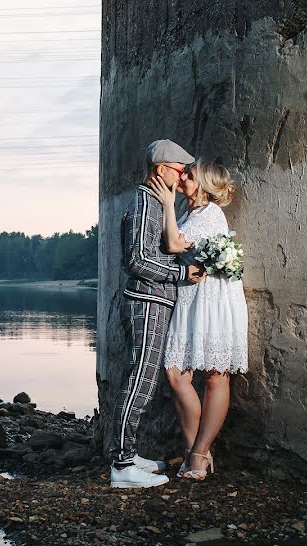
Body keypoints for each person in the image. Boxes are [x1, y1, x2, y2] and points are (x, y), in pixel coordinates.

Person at [110, 140, 206, 489]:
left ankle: (129, 455)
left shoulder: (154, 203)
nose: (182, 178)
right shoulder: (144, 203)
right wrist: (182, 273)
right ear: (161, 169)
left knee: (141, 381)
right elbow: (136, 261)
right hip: (147, 302)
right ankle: (122, 466)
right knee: (140, 382)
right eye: (179, 170)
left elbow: (153, 252)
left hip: (154, 302)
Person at [148, 160, 249, 481]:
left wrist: (165, 204)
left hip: (215, 299)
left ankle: (199, 454)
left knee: (215, 376)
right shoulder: (189, 213)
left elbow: (174, 243)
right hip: (191, 298)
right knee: (176, 373)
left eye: (189, 175)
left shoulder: (210, 215)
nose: (183, 178)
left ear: (204, 185)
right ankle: (197, 454)